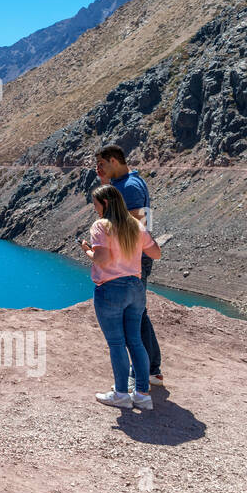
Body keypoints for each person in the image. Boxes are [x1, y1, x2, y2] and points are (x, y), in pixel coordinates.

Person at [80, 185, 162, 410]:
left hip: (111, 288)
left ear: (105, 203)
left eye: (95, 203)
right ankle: (143, 395)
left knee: (116, 343)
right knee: (135, 341)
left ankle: (121, 394)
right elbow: (156, 253)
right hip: (135, 288)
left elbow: (102, 259)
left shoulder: (101, 226)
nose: (94, 208)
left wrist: (87, 250)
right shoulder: (135, 225)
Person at [95, 144, 166, 388]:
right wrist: (106, 182)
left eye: (102, 164)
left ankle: (148, 370)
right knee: (138, 313)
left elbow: (137, 225)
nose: (98, 169)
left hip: (134, 260)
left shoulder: (130, 187)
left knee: (135, 316)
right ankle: (151, 369)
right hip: (134, 257)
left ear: (114, 160)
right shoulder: (125, 184)